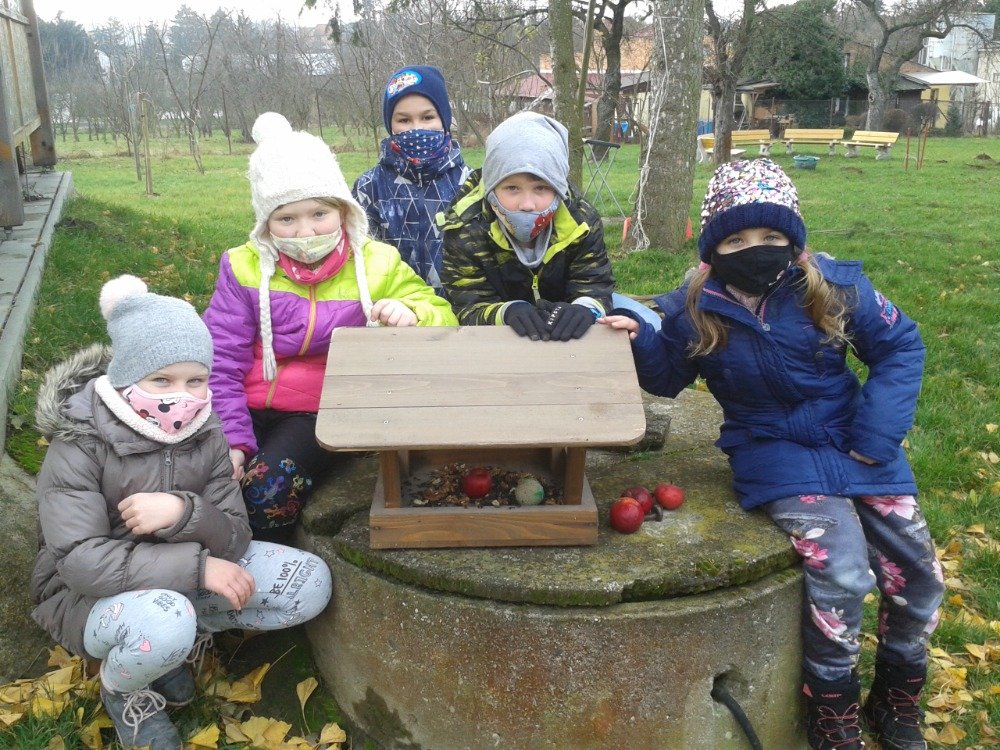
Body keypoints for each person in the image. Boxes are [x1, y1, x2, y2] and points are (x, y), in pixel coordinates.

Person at [601, 159, 943, 750]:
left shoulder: (832, 286)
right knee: (841, 570)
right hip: (773, 452)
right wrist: (640, 334)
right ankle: (832, 708)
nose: (754, 250)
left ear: (793, 239)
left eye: (770, 236)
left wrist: (876, 434)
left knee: (920, 574)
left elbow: (900, 345)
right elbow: (666, 377)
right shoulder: (695, 307)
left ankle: (898, 694)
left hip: (860, 443)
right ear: (712, 248)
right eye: (735, 240)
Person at [30, 275, 333, 750]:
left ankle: (171, 644)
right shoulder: (80, 440)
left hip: (178, 580)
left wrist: (184, 512)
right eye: (161, 380)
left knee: (309, 584)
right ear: (127, 378)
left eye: (196, 380)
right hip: (83, 596)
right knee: (166, 620)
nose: (183, 395)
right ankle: (123, 686)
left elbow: (236, 535)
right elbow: (80, 561)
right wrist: (197, 567)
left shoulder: (204, 427)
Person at [204, 112, 456, 541]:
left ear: (343, 209)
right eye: (286, 219)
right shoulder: (242, 266)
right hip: (240, 402)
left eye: (319, 213)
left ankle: (268, 560)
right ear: (265, 222)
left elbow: (441, 313)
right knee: (201, 479)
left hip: (317, 410)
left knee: (266, 490)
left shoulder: (375, 263)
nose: (305, 231)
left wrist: (411, 312)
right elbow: (220, 356)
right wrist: (233, 440)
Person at [439, 110, 659, 342]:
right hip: (502, 322)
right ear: (492, 188)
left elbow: (595, 282)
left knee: (651, 324)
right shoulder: (464, 227)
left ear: (558, 188)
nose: (527, 205)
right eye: (512, 188)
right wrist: (506, 312)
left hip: (564, 313)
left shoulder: (581, 220)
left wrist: (586, 308)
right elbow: (466, 304)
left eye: (541, 188)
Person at [352, 65, 470, 294]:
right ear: (390, 125)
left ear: (444, 119)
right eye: (404, 120)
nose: (417, 128)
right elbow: (361, 261)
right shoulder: (369, 188)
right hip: (395, 308)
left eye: (428, 117)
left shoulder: (470, 184)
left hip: (463, 311)